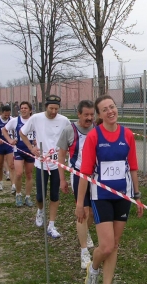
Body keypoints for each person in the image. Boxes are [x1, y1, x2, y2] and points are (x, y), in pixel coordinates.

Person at [75, 95, 143, 284]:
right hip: (101, 196)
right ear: (99, 115)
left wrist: (137, 196)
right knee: (106, 246)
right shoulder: (94, 136)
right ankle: (94, 267)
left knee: (114, 245)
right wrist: (80, 204)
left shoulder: (127, 134)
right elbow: (85, 173)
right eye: (105, 109)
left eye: (112, 107)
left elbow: (133, 168)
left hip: (123, 196)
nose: (110, 111)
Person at [19, 95, 70, 238]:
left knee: (55, 195)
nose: (53, 111)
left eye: (56, 108)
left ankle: (52, 225)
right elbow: (22, 133)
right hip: (41, 163)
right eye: (51, 108)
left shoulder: (64, 120)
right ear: (45, 107)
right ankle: (40, 211)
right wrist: (31, 147)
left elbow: (70, 137)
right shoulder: (36, 118)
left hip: (57, 163)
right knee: (41, 196)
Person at [57, 100, 95, 269]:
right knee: (83, 211)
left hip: (96, 177)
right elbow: (61, 156)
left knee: (93, 212)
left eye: (92, 114)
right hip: (78, 175)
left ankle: (84, 234)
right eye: (86, 114)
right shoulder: (69, 131)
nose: (89, 118)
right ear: (78, 114)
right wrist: (62, 179)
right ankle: (84, 251)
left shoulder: (97, 129)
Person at [2, 101, 35, 207]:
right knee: (19, 173)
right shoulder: (16, 120)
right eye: (22, 108)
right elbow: (4, 130)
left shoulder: (34, 121)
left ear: (30, 110)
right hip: (18, 150)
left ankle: (28, 196)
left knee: (29, 174)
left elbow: (38, 133)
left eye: (26, 108)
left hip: (30, 151)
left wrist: (36, 142)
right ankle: (18, 194)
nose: (23, 110)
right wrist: (10, 140)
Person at [0, 105, 16, 192]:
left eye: (8, 115)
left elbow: (15, 130)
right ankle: (0, 182)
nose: (7, 116)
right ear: (1, 113)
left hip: (9, 144)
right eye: (5, 115)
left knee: (11, 165)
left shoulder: (12, 119)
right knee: (0, 165)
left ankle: (13, 185)